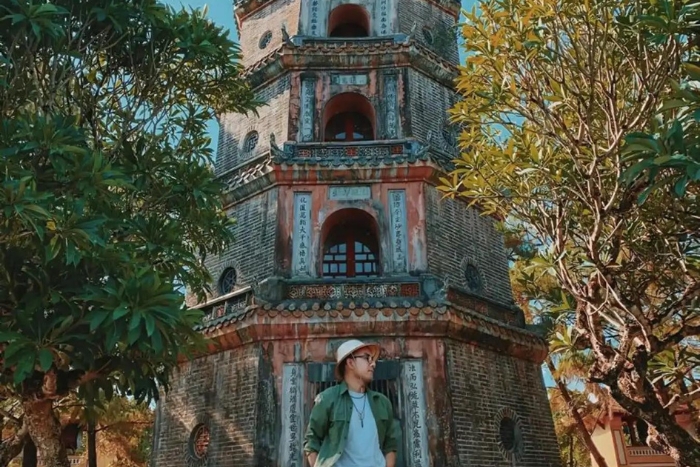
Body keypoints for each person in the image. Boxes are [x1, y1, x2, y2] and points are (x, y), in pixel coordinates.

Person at [303, 339, 400, 467]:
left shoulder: (382, 402)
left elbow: (390, 445)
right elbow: (311, 441)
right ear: (350, 362)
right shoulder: (327, 399)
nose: (373, 364)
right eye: (367, 358)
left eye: (373, 359)